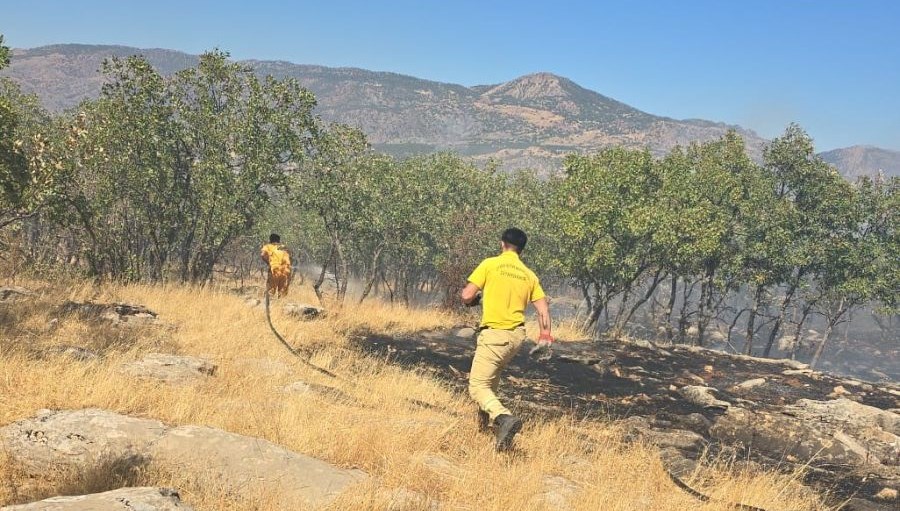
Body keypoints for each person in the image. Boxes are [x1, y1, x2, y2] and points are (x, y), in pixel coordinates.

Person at [460, 227, 553, 451]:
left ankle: (504, 418)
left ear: (502, 244)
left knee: (477, 386)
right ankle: (483, 429)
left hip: (495, 333)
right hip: (516, 337)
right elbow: (542, 310)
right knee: (490, 381)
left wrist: (476, 299)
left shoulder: (490, 264)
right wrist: (545, 336)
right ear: (521, 249)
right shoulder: (529, 275)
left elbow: (466, 295)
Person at [260, 233, 292, 298]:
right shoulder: (284, 247)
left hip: (275, 270)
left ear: (270, 240)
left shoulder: (268, 246)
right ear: (279, 240)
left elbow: (263, 255)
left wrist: (269, 263)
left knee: (270, 293)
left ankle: (269, 307)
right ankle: (281, 307)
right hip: (286, 272)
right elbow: (290, 257)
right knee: (283, 295)